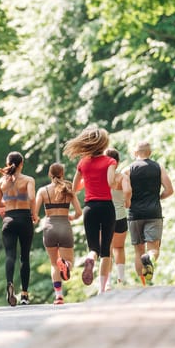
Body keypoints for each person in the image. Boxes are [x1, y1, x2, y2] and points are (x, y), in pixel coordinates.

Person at [63, 127, 117, 294]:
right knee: (106, 249)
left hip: (90, 208)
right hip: (107, 207)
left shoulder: (83, 163)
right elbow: (110, 182)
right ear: (104, 144)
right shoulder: (110, 161)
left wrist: (88, 181)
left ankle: (89, 258)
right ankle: (102, 289)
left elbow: (74, 188)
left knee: (94, 247)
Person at [122, 141, 174, 286]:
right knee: (153, 250)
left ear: (135, 153)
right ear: (150, 153)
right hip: (154, 213)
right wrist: (158, 198)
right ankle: (149, 258)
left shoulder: (127, 170)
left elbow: (121, 190)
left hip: (135, 214)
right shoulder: (158, 168)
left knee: (138, 252)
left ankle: (143, 285)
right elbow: (169, 190)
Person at [33, 163, 82, 304]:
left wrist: (36, 219)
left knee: (54, 264)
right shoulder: (68, 189)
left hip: (49, 227)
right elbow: (79, 212)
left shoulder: (43, 191)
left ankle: (58, 296)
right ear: (63, 174)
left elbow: (35, 213)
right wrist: (72, 217)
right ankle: (66, 265)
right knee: (70, 261)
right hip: (64, 226)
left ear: (49, 174)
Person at [0, 151, 37, 306]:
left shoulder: (1, 182)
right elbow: (32, 197)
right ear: (21, 164)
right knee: (24, 257)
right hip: (24, 218)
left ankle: (10, 283)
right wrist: (35, 214)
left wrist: (8, 205)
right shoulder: (28, 180)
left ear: (7, 164)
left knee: (10, 255)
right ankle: (24, 295)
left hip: (8, 219)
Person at [104, 148, 128, 288]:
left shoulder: (100, 178)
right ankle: (121, 279)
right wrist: (128, 201)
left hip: (104, 217)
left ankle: (107, 282)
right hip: (120, 217)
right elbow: (128, 191)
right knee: (119, 248)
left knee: (106, 250)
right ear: (117, 163)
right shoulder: (122, 177)